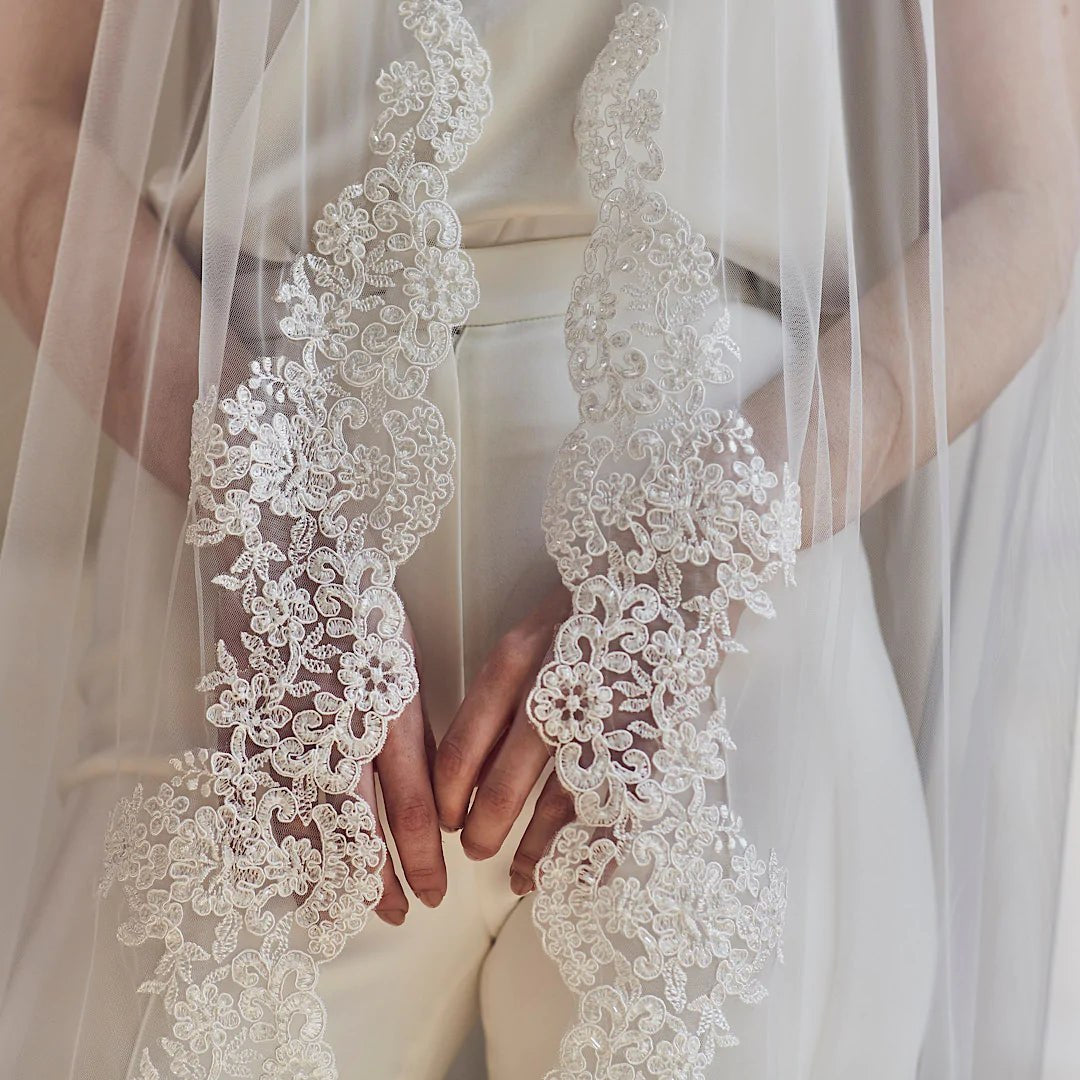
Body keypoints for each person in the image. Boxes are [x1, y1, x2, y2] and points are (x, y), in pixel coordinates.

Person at [0, 2, 1078, 1078]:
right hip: (249, 609)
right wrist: (263, 511)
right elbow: (26, 125)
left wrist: (694, 555)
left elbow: (1025, 197)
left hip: (716, 615)